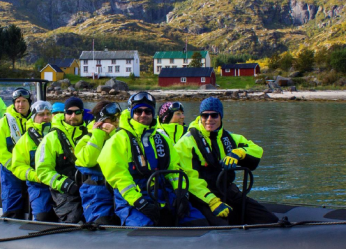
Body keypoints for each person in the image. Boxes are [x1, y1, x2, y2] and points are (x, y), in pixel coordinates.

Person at [97, 92, 207, 227]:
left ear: (153, 113)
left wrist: (182, 195)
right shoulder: (117, 140)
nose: (143, 114)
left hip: (165, 195)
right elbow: (119, 178)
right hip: (132, 200)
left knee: (198, 222)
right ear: (131, 113)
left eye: (148, 111)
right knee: (146, 232)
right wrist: (139, 202)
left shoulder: (163, 139)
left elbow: (174, 170)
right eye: (138, 111)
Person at [176, 97, 278, 226]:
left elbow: (256, 150)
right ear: (200, 116)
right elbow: (189, 178)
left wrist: (239, 153)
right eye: (205, 115)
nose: (209, 119)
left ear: (221, 116)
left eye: (214, 115)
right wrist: (212, 202)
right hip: (202, 197)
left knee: (269, 219)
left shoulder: (229, 138)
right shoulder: (186, 142)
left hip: (228, 191)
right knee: (224, 227)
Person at [36, 97, 89, 223]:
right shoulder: (51, 138)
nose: (73, 116)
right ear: (64, 114)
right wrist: (64, 184)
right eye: (69, 112)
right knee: (74, 219)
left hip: (89, 188)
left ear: (82, 113)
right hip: (64, 192)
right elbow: (43, 170)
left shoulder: (91, 134)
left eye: (77, 112)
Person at [9, 101, 58, 221]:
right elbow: (18, 166)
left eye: (48, 114)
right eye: (41, 114)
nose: (45, 117)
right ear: (34, 117)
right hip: (38, 185)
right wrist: (36, 176)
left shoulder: (58, 134)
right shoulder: (25, 140)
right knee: (43, 216)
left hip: (59, 183)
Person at [75, 100, 122, 225]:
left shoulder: (119, 136)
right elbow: (89, 161)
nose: (116, 123)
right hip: (95, 190)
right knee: (102, 223)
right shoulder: (85, 139)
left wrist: (113, 134)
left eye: (117, 119)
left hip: (119, 189)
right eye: (112, 119)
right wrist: (98, 134)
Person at [0, 87, 32, 217]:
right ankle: (11, 217)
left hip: (32, 167)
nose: (21, 104)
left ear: (29, 102)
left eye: (24, 101)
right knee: (12, 195)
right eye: (18, 101)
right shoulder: (2, 124)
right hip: (11, 168)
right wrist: (16, 167)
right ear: (13, 103)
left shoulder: (35, 121)